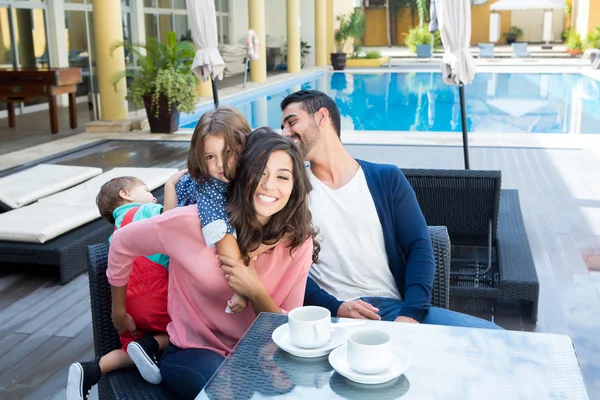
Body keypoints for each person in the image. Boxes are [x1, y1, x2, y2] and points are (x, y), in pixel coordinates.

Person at [107, 128, 318, 399]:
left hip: (261, 355)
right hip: (194, 352)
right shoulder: (189, 224)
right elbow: (121, 243)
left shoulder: (298, 243)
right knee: (229, 390)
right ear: (241, 175)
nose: (268, 185)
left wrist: (256, 292)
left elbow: (286, 331)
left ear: (295, 185)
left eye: (282, 176)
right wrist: (119, 310)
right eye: (260, 172)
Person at [280, 90, 499, 329]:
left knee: (496, 338)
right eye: (282, 127)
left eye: (292, 122)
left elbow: (420, 247)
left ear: (322, 117)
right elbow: (290, 265)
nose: (285, 133)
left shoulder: (386, 178)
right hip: (329, 318)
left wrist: (411, 315)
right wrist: (335, 306)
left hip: (392, 310)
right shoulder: (291, 192)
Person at [67, 171, 186, 400]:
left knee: (128, 348)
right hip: (157, 295)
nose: (153, 197)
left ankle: (91, 370)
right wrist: (170, 185)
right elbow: (171, 220)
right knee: (185, 331)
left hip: (128, 304)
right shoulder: (146, 211)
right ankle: (149, 345)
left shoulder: (116, 231)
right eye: (148, 191)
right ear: (126, 194)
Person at [167, 106, 253, 314]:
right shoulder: (209, 186)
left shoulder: (248, 174)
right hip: (176, 235)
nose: (220, 165)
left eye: (228, 153)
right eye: (209, 157)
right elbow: (221, 234)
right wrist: (241, 289)